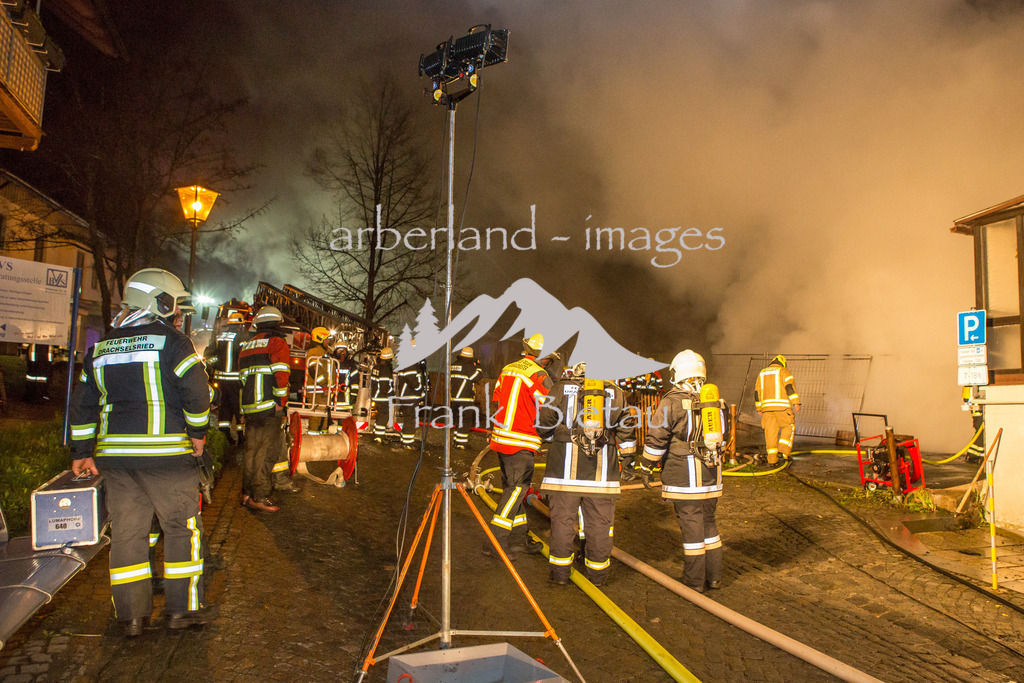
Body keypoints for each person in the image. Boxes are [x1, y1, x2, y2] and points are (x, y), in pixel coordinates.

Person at [69, 267, 216, 637]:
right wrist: (198, 433)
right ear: (160, 302)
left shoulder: (101, 347)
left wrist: (82, 451)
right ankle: (182, 610)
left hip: (116, 462)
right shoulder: (174, 343)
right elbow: (197, 392)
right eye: (176, 306)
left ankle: (131, 617)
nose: (178, 314)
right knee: (181, 529)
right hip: (167, 458)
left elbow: (83, 405)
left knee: (128, 534)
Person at [538, 362, 636, 586]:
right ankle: (598, 577)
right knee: (600, 526)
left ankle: (560, 575)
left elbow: (544, 423)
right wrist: (628, 461)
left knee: (562, 524)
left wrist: (555, 438)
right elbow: (626, 430)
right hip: (602, 478)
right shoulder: (615, 392)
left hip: (562, 475)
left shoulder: (560, 387)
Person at [641, 349, 727, 593]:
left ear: (677, 373)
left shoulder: (672, 401)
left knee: (692, 528)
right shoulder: (716, 401)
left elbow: (657, 437)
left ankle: (694, 581)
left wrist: (646, 466)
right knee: (709, 524)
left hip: (684, 477)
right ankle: (715, 578)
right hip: (711, 475)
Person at [484, 333, 553, 559]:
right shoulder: (539, 375)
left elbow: (497, 399)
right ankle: (496, 541)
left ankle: (519, 538)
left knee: (514, 491)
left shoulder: (508, 369)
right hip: (521, 441)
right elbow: (551, 408)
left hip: (502, 438)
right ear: (545, 357)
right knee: (515, 491)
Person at [238, 306, 291, 512]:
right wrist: (280, 401)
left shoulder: (247, 345)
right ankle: (260, 496)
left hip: (250, 405)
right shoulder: (277, 342)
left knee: (251, 451)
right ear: (277, 323)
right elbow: (281, 375)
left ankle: (246, 493)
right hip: (269, 406)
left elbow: (243, 378)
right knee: (267, 452)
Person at [204, 310, 249, 445]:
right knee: (238, 407)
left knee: (224, 407)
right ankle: (241, 436)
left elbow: (208, 356)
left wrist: (218, 364)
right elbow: (245, 358)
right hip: (236, 380)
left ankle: (224, 435)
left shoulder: (219, 337)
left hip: (221, 380)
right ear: (240, 325)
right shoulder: (242, 339)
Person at [754, 354, 801, 466]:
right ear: (783, 363)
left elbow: (757, 392)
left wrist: (759, 408)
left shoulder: (762, 373)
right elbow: (789, 387)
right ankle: (783, 451)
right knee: (789, 426)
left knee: (770, 433)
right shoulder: (784, 371)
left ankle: (772, 460)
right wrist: (796, 402)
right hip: (782, 407)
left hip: (766, 409)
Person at [394, 344, 428, 450]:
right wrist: (419, 389)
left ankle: (405, 440)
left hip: (408, 396)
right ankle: (407, 443)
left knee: (409, 418)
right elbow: (412, 379)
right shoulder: (410, 363)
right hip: (410, 396)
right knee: (410, 419)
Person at [450, 346, 482, 449]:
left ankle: (456, 441)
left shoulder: (454, 364)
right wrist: (478, 366)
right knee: (465, 420)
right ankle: (461, 444)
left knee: (458, 420)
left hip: (454, 398)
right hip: (465, 398)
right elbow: (477, 377)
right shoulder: (468, 366)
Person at [304, 327, 332, 435]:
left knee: (324, 419)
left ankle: (323, 441)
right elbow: (314, 370)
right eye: (326, 339)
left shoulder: (323, 352)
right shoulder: (314, 352)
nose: (328, 341)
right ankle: (313, 441)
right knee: (316, 419)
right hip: (317, 391)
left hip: (323, 391)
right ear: (320, 339)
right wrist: (324, 385)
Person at [371, 347, 396, 442]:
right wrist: (391, 394)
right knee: (383, 416)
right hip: (383, 397)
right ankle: (379, 436)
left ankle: (377, 433)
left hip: (377, 396)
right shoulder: (385, 369)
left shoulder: (377, 367)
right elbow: (384, 386)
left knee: (380, 415)